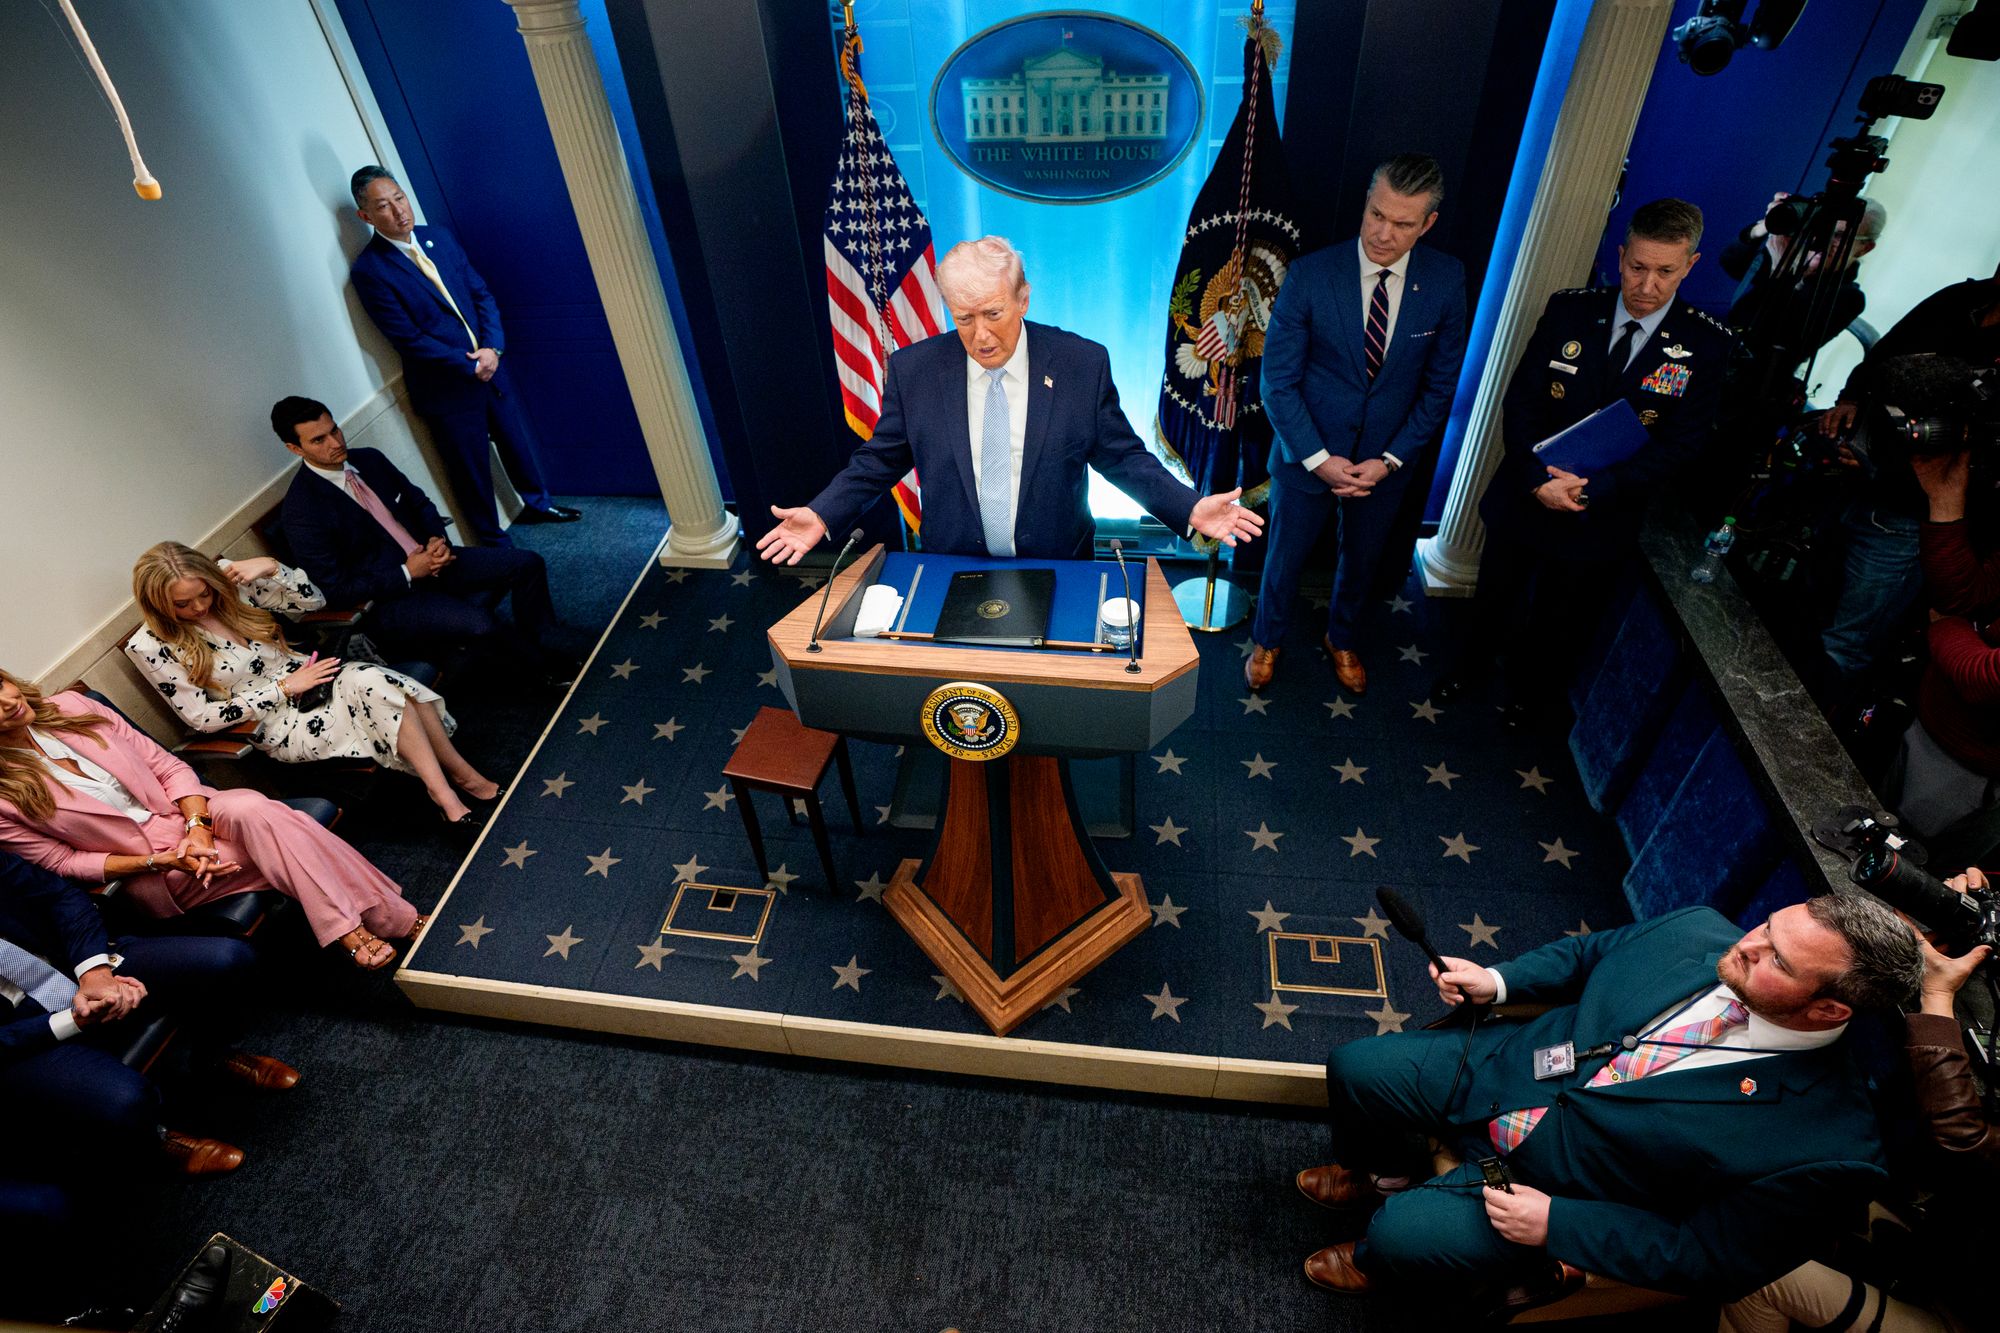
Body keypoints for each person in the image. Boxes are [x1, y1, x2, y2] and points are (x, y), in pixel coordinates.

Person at [1296, 895, 1920, 1305]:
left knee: (1400, 1237)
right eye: (1768, 926)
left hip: (1555, 1188)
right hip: (1504, 1068)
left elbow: (1712, 1259)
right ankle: (1386, 1173)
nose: (1747, 945)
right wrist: (1499, 981)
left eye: (1776, 960)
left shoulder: (1832, 1151)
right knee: (1355, 1067)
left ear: (1829, 1009)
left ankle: (1378, 1259)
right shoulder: (1697, 928)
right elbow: (1588, 954)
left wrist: (1557, 1224)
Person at [755, 235, 1264, 564]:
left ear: (1023, 299)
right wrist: (822, 514)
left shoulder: (1080, 365)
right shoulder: (914, 372)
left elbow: (1123, 458)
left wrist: (1189, 507)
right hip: (954, 562)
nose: (980, 336)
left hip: (1056, 562)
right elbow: (878, 461)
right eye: (964, 318)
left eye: (993, 314)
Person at [1437, 199, 1732, 718]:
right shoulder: (1569, 311)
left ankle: (1527, 695)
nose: (1647, 285)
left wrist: (1596, 489)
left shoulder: (1705, 344)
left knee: (1561, 615)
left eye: (1665, 272)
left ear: (1691, 265)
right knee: (1495, 596)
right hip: (1528, 492)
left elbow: (1681, 443)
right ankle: (1467, 668)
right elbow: (1521, 402)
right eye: (1637, 267)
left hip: (1604, 509)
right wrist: (1537, 479)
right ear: (1620, 256)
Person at [1719, 869, 1996, 1333]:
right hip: (1950, 1247)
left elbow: (1961, 1139)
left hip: (1968, 1309)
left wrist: (1936, 994)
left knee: (1752, 1275)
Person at [0, 672, 421, 970]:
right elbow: (63, 863)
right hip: (152, 864)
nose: (8, 702)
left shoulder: (72, 707)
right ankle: (391, 920)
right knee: (289, 831)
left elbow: (168, 767)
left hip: (189, 808)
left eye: (0, 686)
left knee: (255, 809)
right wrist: (161, 861)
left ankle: (348, 929)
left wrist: (197, 827)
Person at [1245, 154, 1468, 695]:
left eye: (1402, 224)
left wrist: (1389, 461)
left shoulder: (1446, 280)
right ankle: (1267, 640)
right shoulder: (1310, 275)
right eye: (1377, 215)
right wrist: (1319, 460)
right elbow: (1277, 383)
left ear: (1428, 224)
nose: (1383, 234)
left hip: (1384, 465)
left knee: (1362, 562)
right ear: (1367, 203)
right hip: (1306, 457)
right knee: (1283, 560)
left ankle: (1341, 637)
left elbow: (1439, 389)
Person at [125, 542, 499, 825]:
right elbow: (200, 718)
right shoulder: (151, 645)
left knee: (374, 680)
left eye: (204, 593)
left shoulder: (231, 582)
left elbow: (313, 603)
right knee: (386, 688)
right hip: (277, 722)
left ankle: (450, 790)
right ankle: (457, 785)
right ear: (157, 603)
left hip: (316, 681)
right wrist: (283, 688)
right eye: (183, 604)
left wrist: (271, 567)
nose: (199, 608)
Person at [0, 848, 294, 1182]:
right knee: (126, 1101)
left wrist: (94, 972)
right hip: (18, 1037)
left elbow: (61, 896)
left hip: (69, 962)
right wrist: (70, 1022)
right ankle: (157, 1138)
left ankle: (214, 1057)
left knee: (229, 960)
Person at [272, 396, 579, 689]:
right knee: (480, 624)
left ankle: (542, 644)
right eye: (319, 440)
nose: (336, 443)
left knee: (527, 563)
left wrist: (437, 540)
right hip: (390, 599)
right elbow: (335, 589)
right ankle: (541, 671)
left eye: (334, 430)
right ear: (294, 448)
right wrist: (407, 572)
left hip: (435, 561)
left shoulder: (369, 460)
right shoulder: (302, 510)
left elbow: (420, 504)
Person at [347, 165, 580, 546]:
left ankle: (538, 504)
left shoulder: (438, 237)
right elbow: (408, 338)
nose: (399, 210)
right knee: (471, 472)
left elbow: (481, 294)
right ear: (366, 216)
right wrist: (470, 364)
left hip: (492, 367)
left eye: (400, 198)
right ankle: (494, 544)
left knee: (516, 446)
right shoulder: (370, 270)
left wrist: (493, 349)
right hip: (447, 388)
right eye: (384, 206)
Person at [1813, 267, 2000, 694]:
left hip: (1908, 521)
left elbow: (1982, 458)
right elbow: (1883, 356)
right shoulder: (1960, 299)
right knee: (1810, 603)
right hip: (1852, 485)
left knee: (1844, 647)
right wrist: (1850, 399)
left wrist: (1885, 463)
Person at [1879, 444, 2000, 863]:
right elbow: (1964, 595)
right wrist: (1944, 502)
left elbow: (1986, 678)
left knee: (1911, 869)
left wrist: (1945, 625)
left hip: (1974, 770)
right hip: (1931, 723)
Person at [1720, 192, 1884, 361]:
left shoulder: (1849, 299)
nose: (1823, 240)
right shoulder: (1793, 257)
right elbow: (1731, 264)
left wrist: (1779, 272)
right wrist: (1761, 229)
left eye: (1839, 236)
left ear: (1864, 248)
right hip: (1723, 336)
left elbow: (1779, 346)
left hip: (1749, 366)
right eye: (1823, 228)